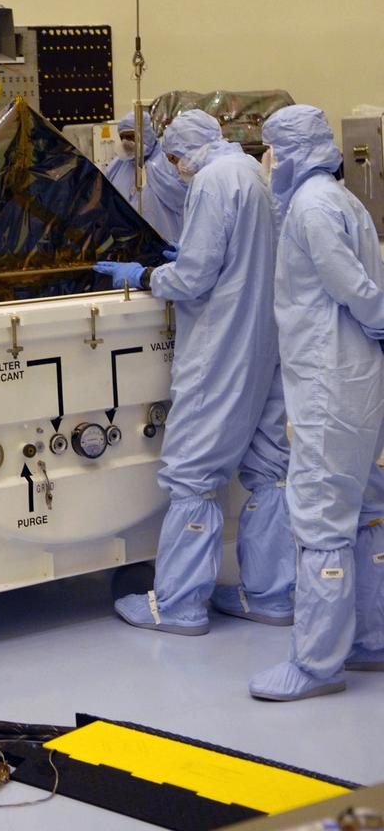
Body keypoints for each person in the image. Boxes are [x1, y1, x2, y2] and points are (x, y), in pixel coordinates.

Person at [94, 109, 295, 634]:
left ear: (185, 150)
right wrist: (188, 256)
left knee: (193, 474)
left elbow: (195, 278)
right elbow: (242, 253)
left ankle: (180, 604)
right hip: (264, 345)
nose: (174, 167)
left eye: (174, 157)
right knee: (270, 470)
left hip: (221, 348)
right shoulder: (251, 172)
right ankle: (271, 594)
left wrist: (146, 275)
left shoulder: (211, 180)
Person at [249, 105, 384, 702]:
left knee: (322, 515)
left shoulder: (309, 207)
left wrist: (380, 321)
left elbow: (353, 287)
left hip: (330, 383)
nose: (268, 162)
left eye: (272, 150)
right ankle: (370, 639)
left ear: (291, 151)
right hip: (355, 378)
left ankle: (317, 663)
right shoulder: (342, 200)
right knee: (366, 510)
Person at [104, 110, 187, 243]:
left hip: (166, 241)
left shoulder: (170, 162)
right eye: (122, 137)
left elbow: (183, 200)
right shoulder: (117, 166)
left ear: (146, 134)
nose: (125, 142)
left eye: (130, 137)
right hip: (127, 242)